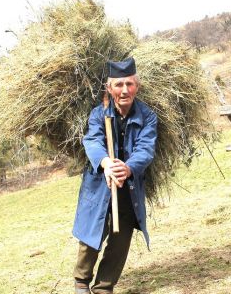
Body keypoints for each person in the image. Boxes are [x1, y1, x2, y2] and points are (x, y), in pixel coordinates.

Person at [72, 57, 158, 294]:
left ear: (136, 87)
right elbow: (91, 140)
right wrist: (107, 163)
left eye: (129, 84)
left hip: (128, 185)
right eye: (119, 85)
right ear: (109, 88)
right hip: (100, 182)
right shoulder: (99, 114)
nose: (124, 90)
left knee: (121, 237)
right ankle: (81, 281)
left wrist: (127, 168)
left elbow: (146, 148)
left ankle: (104, 286)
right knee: (93, 231)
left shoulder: (148, 116)